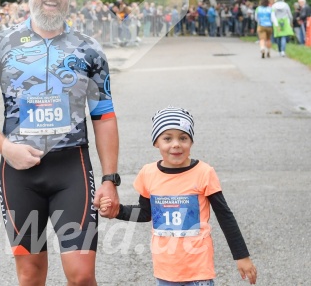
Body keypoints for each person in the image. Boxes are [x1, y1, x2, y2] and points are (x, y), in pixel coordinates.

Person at [0, 0, 120, 286]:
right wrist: (6, 147)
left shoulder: (88, 49)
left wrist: (110, 178)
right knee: (30, 275)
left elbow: (104, 116)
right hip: (19, 174)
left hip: (71, 171)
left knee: (81, 276)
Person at [100, 107, 257, 286]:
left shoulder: (204, 173)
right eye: (167, 138)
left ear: (191, 142)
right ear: (156, 142)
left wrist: (241, 256)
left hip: (198, 269)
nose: (176, 144)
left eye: (183, 138)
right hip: (165, 269)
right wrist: (117, 211)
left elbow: (225, 216)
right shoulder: (148, 173)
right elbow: (146, 213)